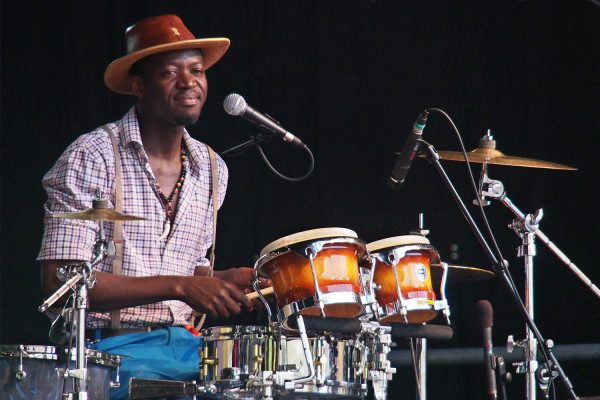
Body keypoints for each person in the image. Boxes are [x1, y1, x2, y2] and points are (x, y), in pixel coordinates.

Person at [37, 14, 267, 399]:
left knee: (264, 384)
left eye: (197, 70)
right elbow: (61, 280)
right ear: (138, 86)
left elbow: (189, 270)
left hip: (187, 348)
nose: (189, 82)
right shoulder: (93, 155)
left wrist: (220, 279)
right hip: (107, 353)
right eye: (169, 73)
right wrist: (180, 287)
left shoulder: (212, 168)